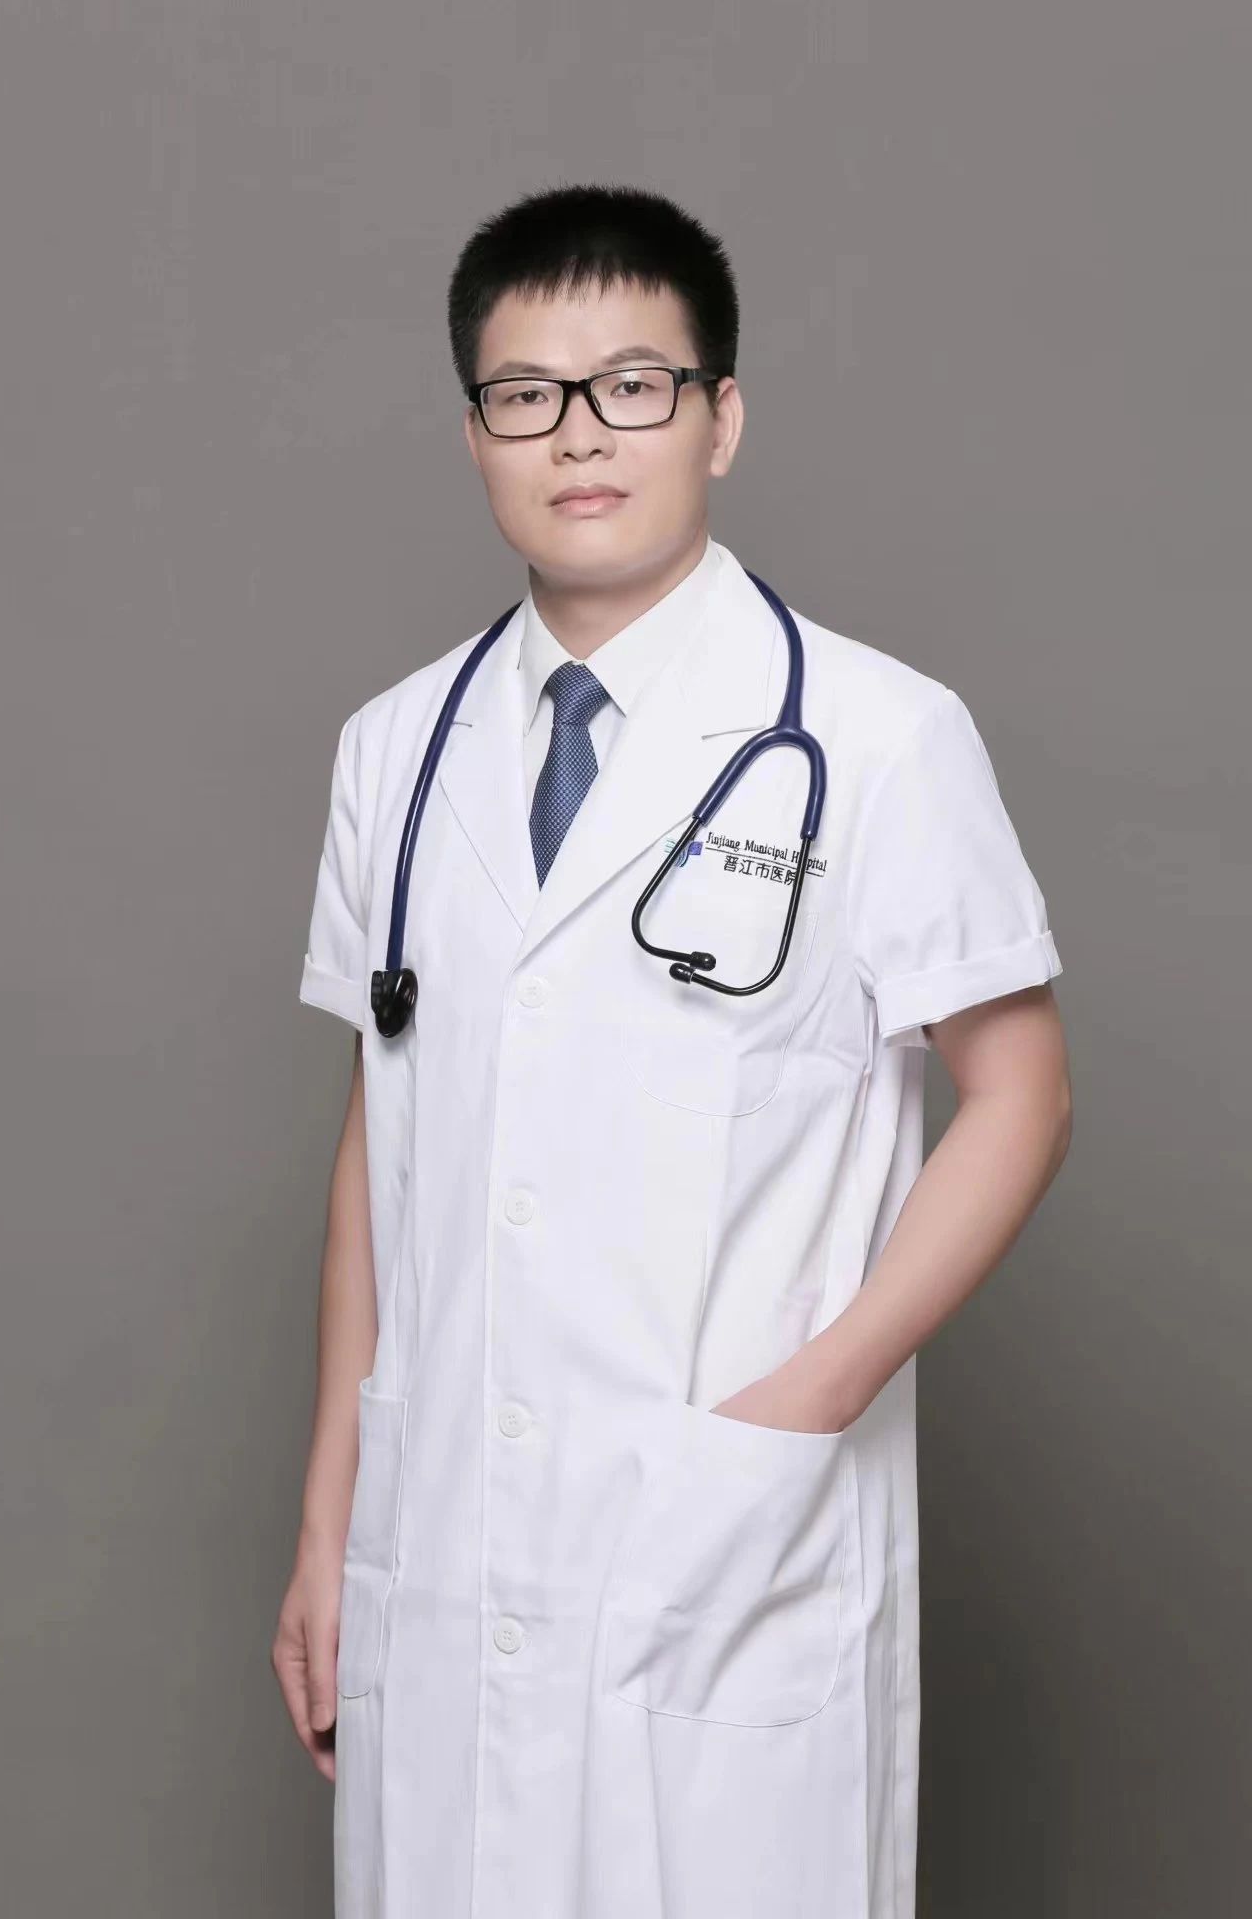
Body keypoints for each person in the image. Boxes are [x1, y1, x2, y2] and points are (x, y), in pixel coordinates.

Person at [271, 181, 1073, 1919]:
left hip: (731, 1530)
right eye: (525, 394)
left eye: (633, 385)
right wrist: (334, 1514)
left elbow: (1020, 1095)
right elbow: (383, 1130)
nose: (579, 433)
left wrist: (807, 1409)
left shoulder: (877, 733)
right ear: (474, 433)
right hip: (443, 1540)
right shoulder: (393, 750)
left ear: (721, 417)